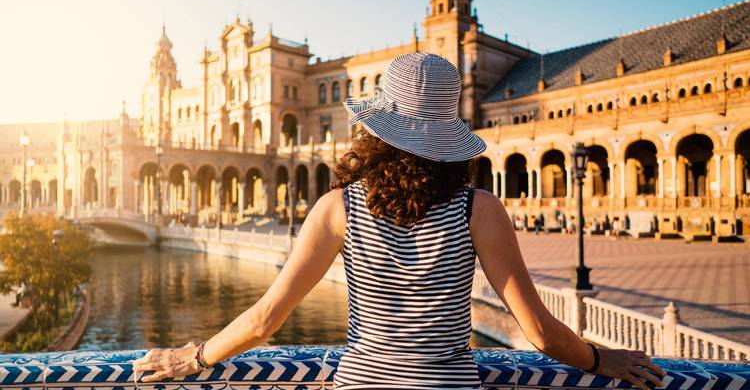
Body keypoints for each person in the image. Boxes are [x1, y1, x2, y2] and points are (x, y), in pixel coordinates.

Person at [133, 52, 664, 390]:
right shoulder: (478, 209)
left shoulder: (337, 208)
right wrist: (601, 359)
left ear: (378, 127)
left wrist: (194, 357)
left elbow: (264, 319)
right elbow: (542, 334)